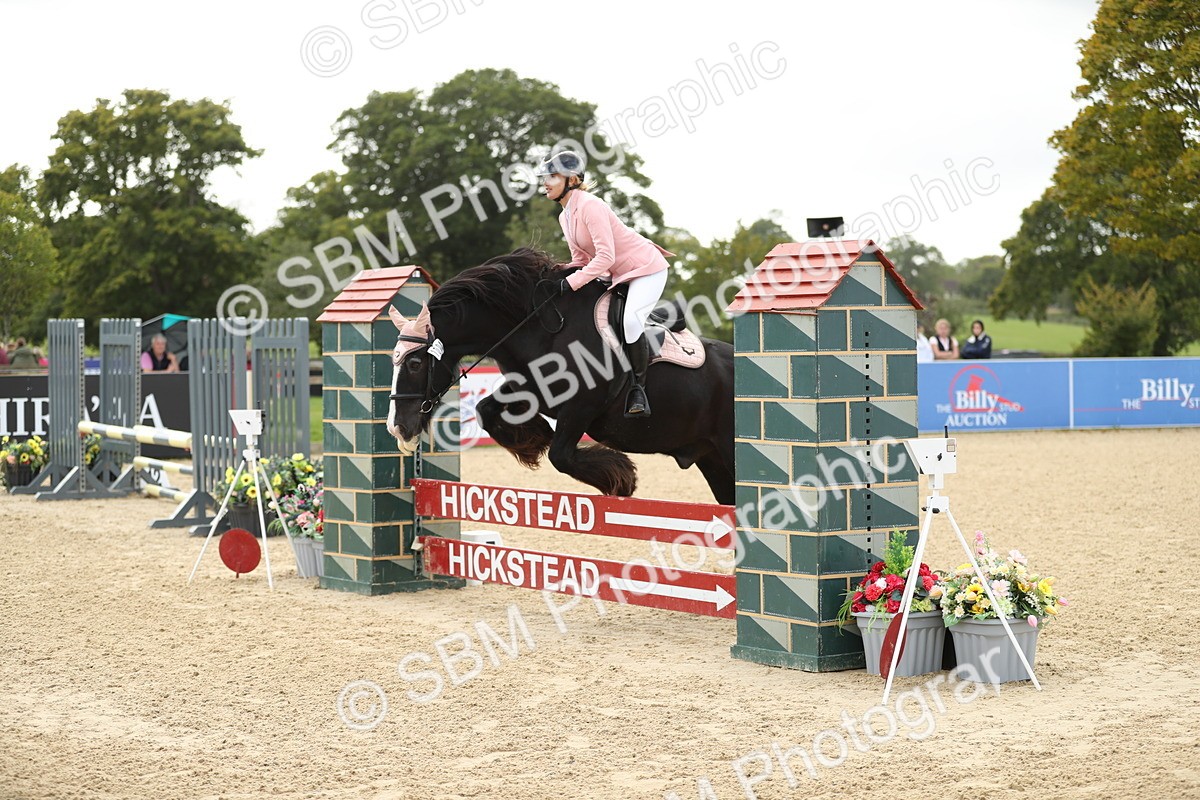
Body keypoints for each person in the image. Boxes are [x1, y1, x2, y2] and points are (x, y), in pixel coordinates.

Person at [537, 150, 674, 418]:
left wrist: (573, 282)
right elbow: (580, 259)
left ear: (572, 179)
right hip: (615, 275)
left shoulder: (591, 205)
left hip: (645, 269)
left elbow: (606, 256)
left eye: (552, 176)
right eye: (545, 177)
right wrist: (554, 274)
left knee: (631, 322)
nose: (545, 182)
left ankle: (638, 390)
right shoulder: (565, 216)